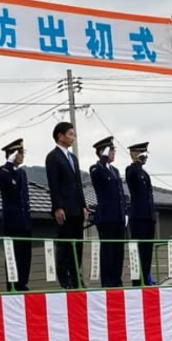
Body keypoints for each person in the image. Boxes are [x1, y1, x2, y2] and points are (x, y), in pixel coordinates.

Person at [45, 122, 88, 289]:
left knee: (78, 245)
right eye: (70, 134)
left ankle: (77, 278)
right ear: (60, 136)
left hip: (77, 208)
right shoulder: (53, 157)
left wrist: (83, 205)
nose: (73, 138)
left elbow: (78, 184)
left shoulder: (73, 158)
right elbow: (54, 184)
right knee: (65, 245)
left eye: (73, 134)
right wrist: (58, 207)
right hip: (64, 208)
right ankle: (65, 280)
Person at [89, 136, 128, 288]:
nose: (113, 153)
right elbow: (98, 176)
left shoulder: (115, 170)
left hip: (118, 217)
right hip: (106, 217)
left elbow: (120, 193)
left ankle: (117, 280)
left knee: (118, 251)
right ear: (102, 152)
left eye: (113, 150)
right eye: (110, 150)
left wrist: (125, 212)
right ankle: (108, 282)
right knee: (108, 251)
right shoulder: (96, 168)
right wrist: (103, 159)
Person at [0, 138, 32, 291]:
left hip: (24, 220)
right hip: (12, 221)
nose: (22, 155)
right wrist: (9, 164)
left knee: (25, 254)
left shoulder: (22, 172)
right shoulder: (3, 171)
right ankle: (13, 284)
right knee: (13, 254)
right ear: (12, 154)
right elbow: (8, 183)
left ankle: (22, 283)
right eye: (20, 153)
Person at [126, 142, 157, 286]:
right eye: (143, 154)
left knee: (147, 252)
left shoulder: (144, 173)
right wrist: (136, 160)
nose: (145, 157)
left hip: (148, 217)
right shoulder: (132, 170)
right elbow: (132, 179)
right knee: (138, 251)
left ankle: (145, 278)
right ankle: (138, 282)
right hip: (138, 217)